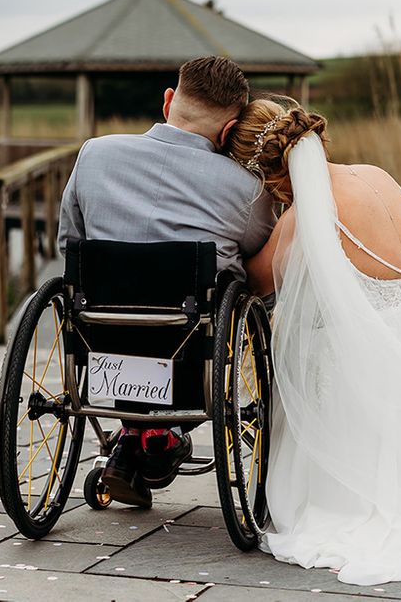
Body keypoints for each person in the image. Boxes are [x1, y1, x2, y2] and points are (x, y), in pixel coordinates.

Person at [227, 97, 401, 585]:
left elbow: (253, 281)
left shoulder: (302, 218)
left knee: (316, 354)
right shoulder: (375, 174)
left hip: (379, 378)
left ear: (264, 178)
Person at [58, 56, 276, 508]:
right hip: (191, 360)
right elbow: (254, 269)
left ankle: (138, 439)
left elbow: (70, 245)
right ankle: (161, 433)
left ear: (169, 100)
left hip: (101, 346)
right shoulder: (247, 189)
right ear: (228, 129)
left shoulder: (95, 154)